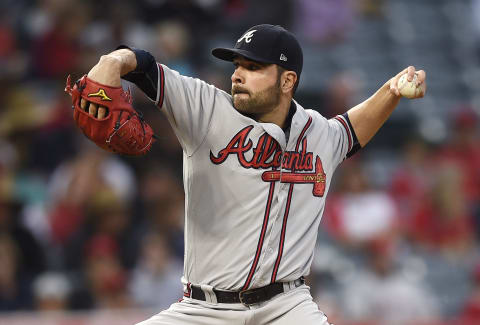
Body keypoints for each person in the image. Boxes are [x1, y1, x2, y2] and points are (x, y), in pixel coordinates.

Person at [78, 24, 426, 325]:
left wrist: (392, 91)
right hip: (204, 308)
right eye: (237, 64)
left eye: (254, 66)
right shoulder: (207, 108)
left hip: (287, 306)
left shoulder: (319, 133)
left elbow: (352, 129)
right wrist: (111, 62)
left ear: (288, 80)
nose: (237, 74)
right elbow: (146, 68)